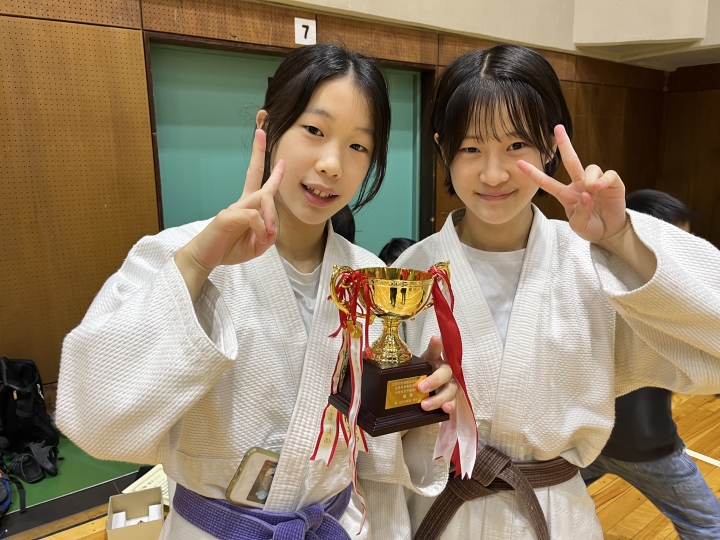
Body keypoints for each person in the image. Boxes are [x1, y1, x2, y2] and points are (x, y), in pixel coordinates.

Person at [56, 44, 458, 540]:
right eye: (314, 131)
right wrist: (197, 265)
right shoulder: (178, 253)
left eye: (358, 146)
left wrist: (419, 404)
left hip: (333, 525)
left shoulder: (370, 278)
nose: (332, 164)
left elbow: (371, 456)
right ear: (268, 127)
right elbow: (93, 416)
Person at [392, 44, 720, 539]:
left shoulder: (590, 262)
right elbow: (376, 436)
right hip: (439, 515)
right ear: (443, 149)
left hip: (555, 517)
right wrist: (412, 398)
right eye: (471, 148)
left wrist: (621, 239)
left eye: (516, 145)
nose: (494, 173)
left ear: (549, 146)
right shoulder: (409, 274)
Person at [580, 189, 720, 539]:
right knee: (707, 526)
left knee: (540, 507)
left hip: (586, 439)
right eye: (676, 246)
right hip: (644, 446)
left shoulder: (589, 290)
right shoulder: (665, 308)